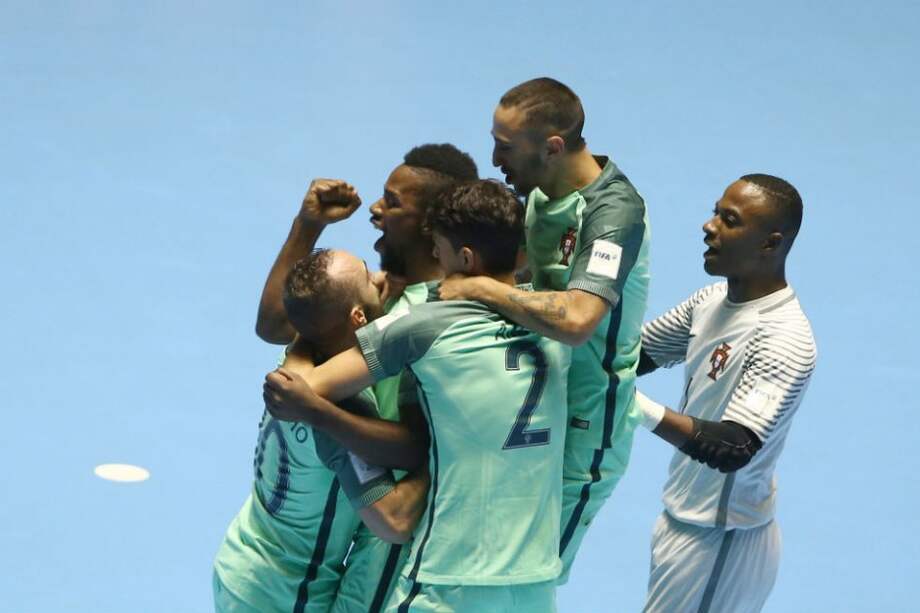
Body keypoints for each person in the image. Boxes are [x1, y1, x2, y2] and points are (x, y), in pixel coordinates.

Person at [265, 180, 571, 612]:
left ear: (463, 258)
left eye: (440, 252)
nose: (436, 263)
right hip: (535, 582)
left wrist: (305, 349)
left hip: (449, 578)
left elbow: (297, 392)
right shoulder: (556, 319)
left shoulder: (423, 325)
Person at [440, 77, 650, 580]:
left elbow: (578, 319)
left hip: (585, 427)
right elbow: (525, 276)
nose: (493, 159)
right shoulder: (540, 193)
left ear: (552, 147)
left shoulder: (612, 213)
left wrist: (481, 290)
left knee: (532, 579)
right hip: (535, 413)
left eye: (505, 147)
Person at [253, 144, 479, 612]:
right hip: (358, 527)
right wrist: (308, 225)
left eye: (392, 203)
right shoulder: (375, 295)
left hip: (390, 533)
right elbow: (277, 323)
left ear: (429, 226)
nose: (375, 210)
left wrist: (307, 396)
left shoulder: (422, 321)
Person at [632, 174, 817, 612]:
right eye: (715, 211)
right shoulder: (710, 300)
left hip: (721, 536)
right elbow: (632, 355)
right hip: (684, 520)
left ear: (769, 244)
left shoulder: (785, 337)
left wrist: (633, 407)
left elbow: (735, 445)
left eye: (728, 220)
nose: (708, 226)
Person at [213, 248, 430, 613]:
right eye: (368, 278)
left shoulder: (299, 363)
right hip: (284, 594)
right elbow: (394, 518)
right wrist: (453, 455)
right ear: (358, 317)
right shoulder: (340, 408)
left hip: (245, 561)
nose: (380, 278)